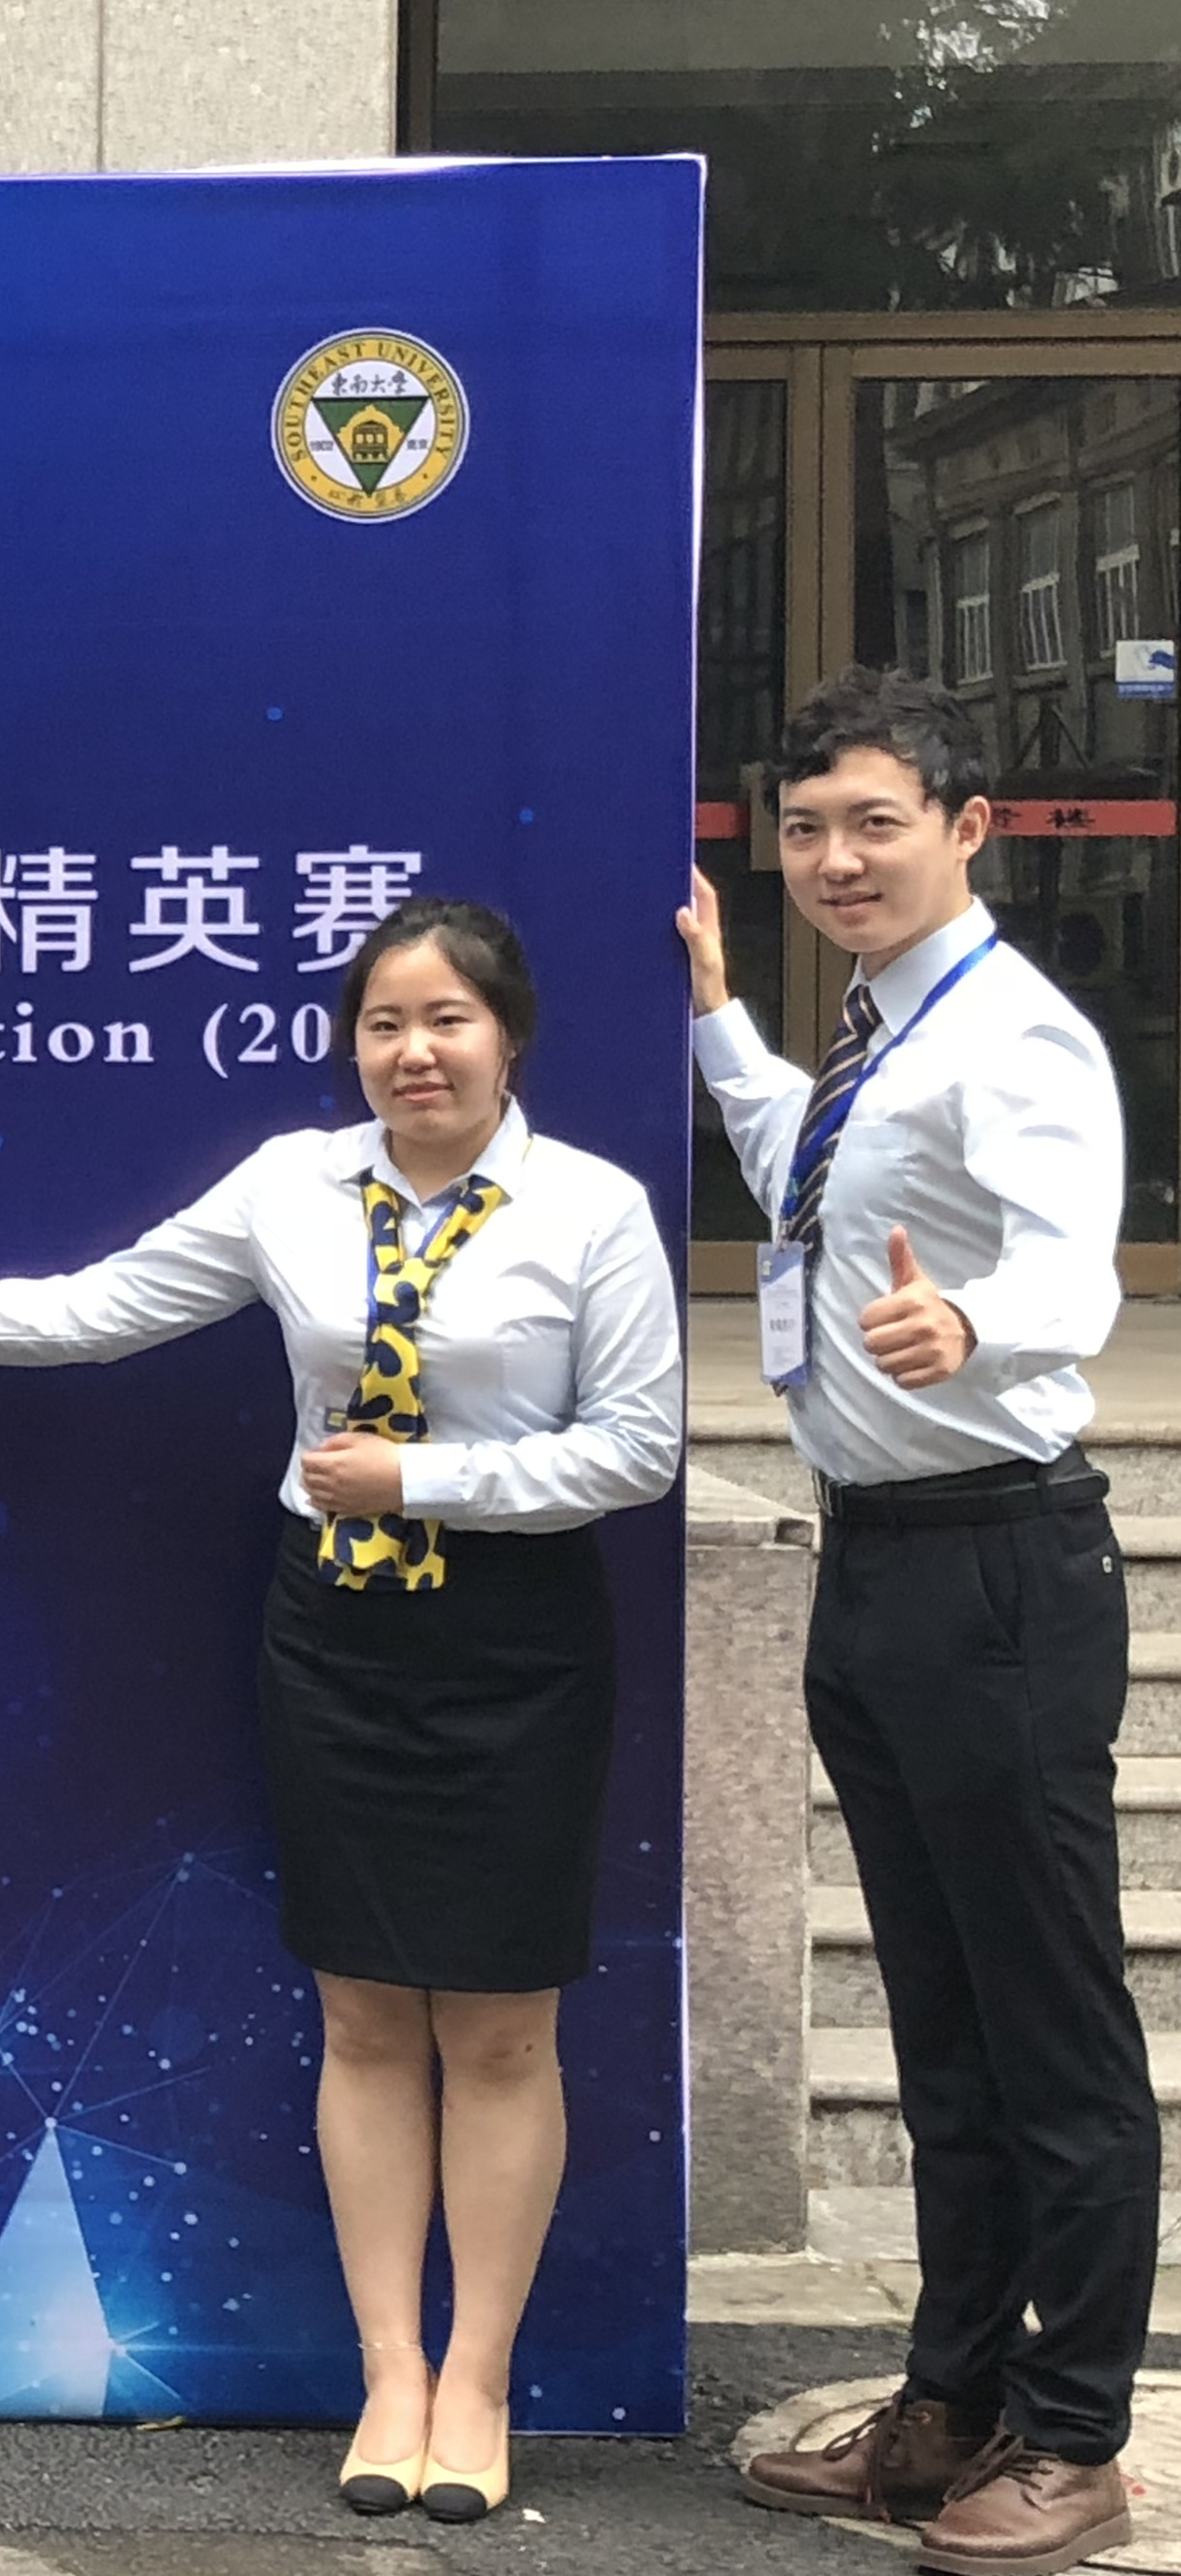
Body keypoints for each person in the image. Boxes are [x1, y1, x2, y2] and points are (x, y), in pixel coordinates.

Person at [0, 898, 678, 2524]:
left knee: (502, 2028)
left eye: (445, 1019)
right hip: (334, 1639)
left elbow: (637, 1447)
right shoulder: (292, 1185)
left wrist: (421, 1477)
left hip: (513, 1644)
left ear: (508, 1035)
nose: (413, 1052)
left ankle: (477, 2380)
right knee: (363, 2017)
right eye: (381, 1023)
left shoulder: (589, 1207)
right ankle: (388, 2374)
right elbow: (89, 1310)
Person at [701, 670, 1145, 2576]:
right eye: (805, 828)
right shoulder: (881, 1031)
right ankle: (948, 2402)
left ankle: (1076, 2431)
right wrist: (716, 1013)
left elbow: (1071, 1267)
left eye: (874, 822)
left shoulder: (1017, 1034)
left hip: (997, 1572)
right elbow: (805, 1176)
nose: (834, 859)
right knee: (943, 2024)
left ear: (969, 829)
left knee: (1049, 2030)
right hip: (877, 1562)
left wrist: (975, 1322)